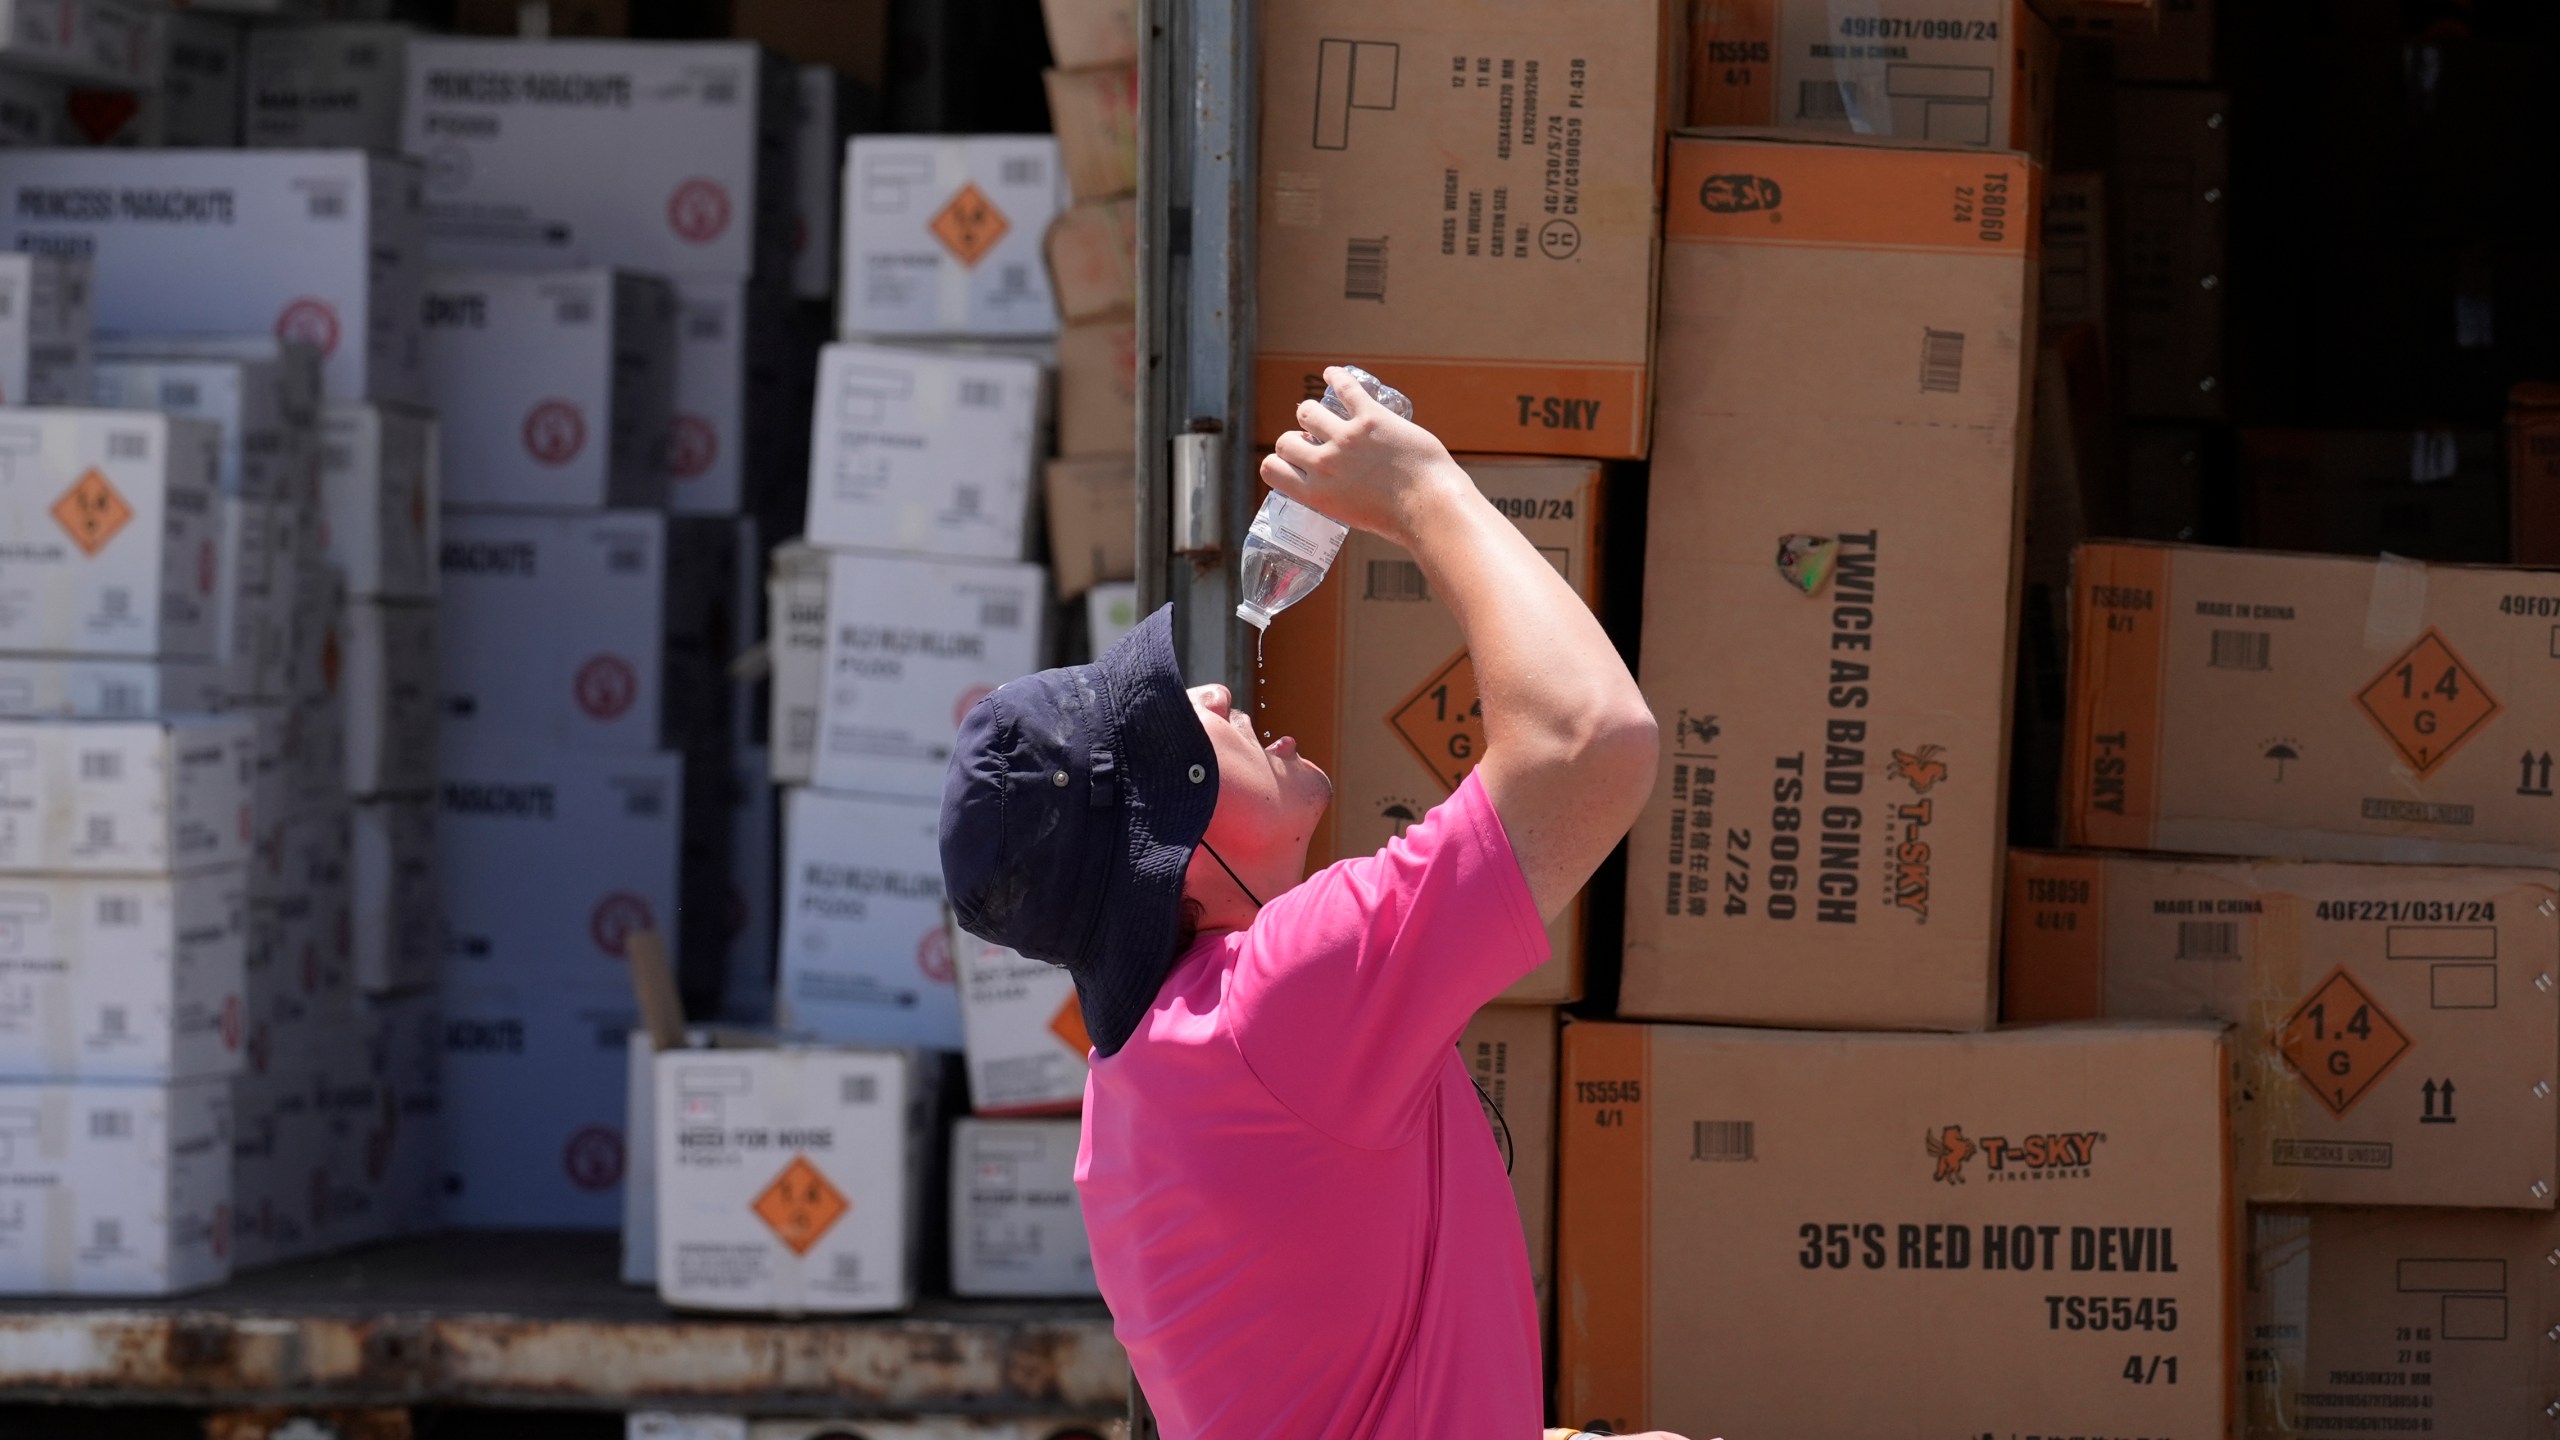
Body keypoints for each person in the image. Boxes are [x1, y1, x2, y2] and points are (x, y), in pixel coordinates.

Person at [940, 369, 1698, 1439]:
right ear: (1171, 840)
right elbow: (1588, 744)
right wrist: (1420, 490)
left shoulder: (1149, 1076)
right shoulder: (1272, 1010)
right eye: (1172, 721)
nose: (1213, 693)